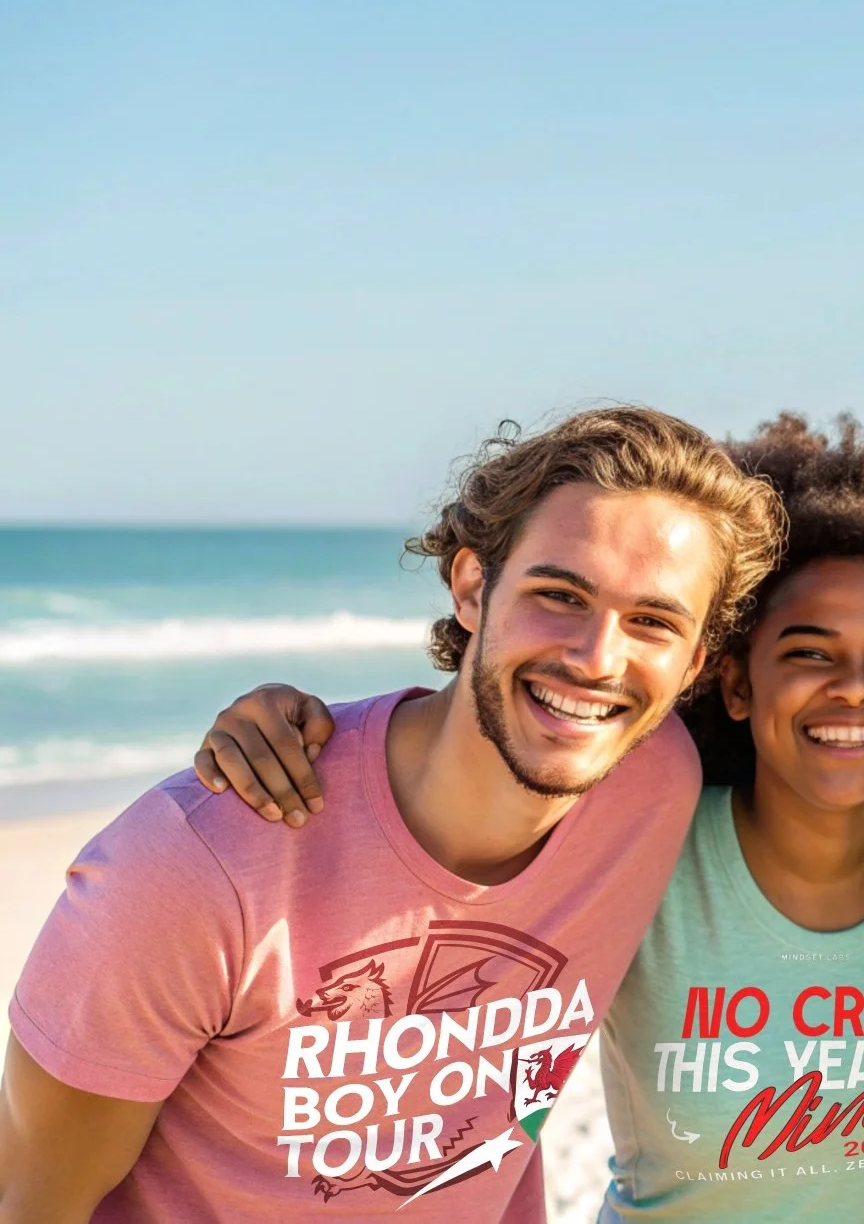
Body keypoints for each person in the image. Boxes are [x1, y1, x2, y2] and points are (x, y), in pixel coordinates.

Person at [189, 416, 864, 1222]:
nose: (854, 688)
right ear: (734, 681)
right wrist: (301, 724)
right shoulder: (643, 835)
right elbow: (464, 795)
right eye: (809, 652)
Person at [0, 407, 785, 1221]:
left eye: (652, 621)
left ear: (694, 661)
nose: (597, 659)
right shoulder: (195, 867)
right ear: (474, 586)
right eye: (560, 595)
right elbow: (28, 1200)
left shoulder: (655, 788)